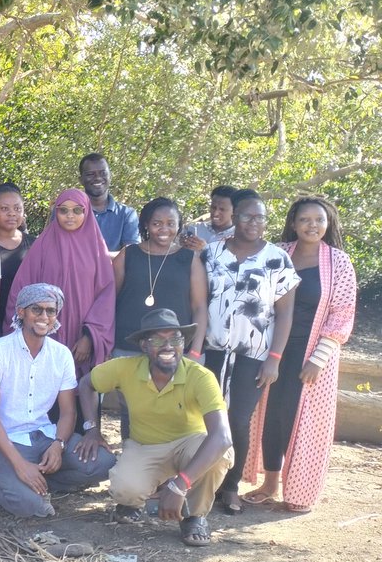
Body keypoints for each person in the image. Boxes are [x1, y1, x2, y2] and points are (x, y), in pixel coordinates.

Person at [77, 309, 234, 547]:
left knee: (218, 456)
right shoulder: (125, 368)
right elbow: (86, 384)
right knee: (125, 489)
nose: (168, 346)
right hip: (145, 445)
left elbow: (222, 437)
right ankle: (133, 502)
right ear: (143, 346)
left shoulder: (200, 376)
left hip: (188, 445)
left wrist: (179, 483)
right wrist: (91, 429)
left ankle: (194, 516)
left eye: (175, 339)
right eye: (158, 340)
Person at [243, 197, 356, 513]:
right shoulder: (278, 253)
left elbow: (343, 312)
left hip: (312, 356)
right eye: (305, 219)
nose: (312, 225)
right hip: (272, 350)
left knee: (301, 420)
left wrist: (318, 359)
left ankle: (300, 492)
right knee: (270, 416)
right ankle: (269, 484)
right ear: (293, 223)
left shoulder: (338, 262)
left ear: (328, 223)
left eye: (319, 220)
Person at [0, 284, 115, 517]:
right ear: (21, 312)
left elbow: (68, 412)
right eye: (36, 310)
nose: (44, 317)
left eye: (50, 311)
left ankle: (34, 480)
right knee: (33, 508)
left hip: (43, 436)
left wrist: (58, 445)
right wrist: (19, 466)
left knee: (104, 462)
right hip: (1, 442)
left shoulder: (60, 354)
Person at [201, 188, 299, 515]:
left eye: (260, 217)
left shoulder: (277, 259)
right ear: (234, 216)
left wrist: (274, 359)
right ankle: (202, 483)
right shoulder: (211, 253)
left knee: (238, 420)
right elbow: (198, 303)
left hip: (252, 356)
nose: (254, 223)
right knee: (204, 420)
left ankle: (230, 486)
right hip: (211, 352)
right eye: (247, 216)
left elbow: (284, 313)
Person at [5, 189, 115, 384]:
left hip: (80, 338)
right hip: (42, 334)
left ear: (87, 212)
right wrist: (26, 334)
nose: (70, 216)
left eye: (77, 210)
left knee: (79, 397)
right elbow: (21, 291)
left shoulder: (97, 250)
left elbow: (105, 297)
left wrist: (90, 337)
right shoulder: (43, 246)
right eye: (63, 210)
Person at [112, 198, 207, 359]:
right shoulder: (128, 255)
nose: (164, 229)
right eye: (157, 223)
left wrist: (195, 352)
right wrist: (105, 343)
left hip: (175, 353)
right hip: (127, 349)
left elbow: (200, 308)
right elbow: (109, 302)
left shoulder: (189, 259)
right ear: (146, 224)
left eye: (171, 223)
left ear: (178, 226)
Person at [0, 183, 34, 342]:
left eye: (17, 208)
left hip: (23, 324)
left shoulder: (34, 245)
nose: (12, 213)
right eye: (4, 209)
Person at [79, 153, 138, 256]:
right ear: (81, 180)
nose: (97, 178)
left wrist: (89, 257)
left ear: (110, 176)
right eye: (90, 174)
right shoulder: (67, 211)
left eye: (103, 173)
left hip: (112, 272)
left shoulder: (127, 215)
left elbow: (131, 255)